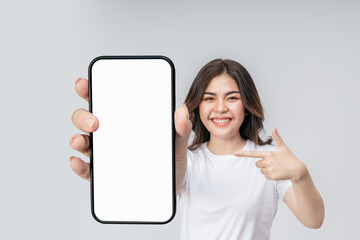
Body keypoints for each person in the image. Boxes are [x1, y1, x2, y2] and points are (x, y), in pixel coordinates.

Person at [70, 58, 324, 240]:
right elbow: (155, 185)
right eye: (209, 98)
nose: (221, 108)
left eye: (232, 98)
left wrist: (300, 174)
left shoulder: (269, 162)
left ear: (247, 105)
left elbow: (313, 221)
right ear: (197, 106)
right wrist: (119, 162)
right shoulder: (187, 161)